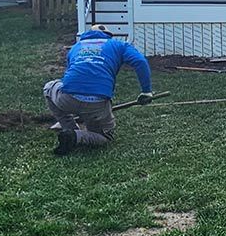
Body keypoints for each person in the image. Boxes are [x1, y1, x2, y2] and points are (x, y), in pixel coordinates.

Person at [45, 25, 152, 155]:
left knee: (49, 87)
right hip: (97, 105)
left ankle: (68, 128)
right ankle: (76, 136)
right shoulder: (119, 45)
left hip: (67, 99)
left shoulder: (76, 47)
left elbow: (71, 74)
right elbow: (140, 61)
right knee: (105, 137)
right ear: (108, 35)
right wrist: (146, 91)